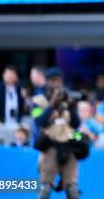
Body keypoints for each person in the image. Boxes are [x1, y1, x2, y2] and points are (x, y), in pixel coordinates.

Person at [33, 67, 82, 199]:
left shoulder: (67, 99)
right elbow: (38, 122)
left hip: (68, 145)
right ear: (47, 82)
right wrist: (52, 105)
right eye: (54, 80)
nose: (57, 84)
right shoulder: (38, 100)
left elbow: (76, 124)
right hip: (49, 145)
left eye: (59, 80)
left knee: (72, 189)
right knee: (45, 190)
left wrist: (72, 108)